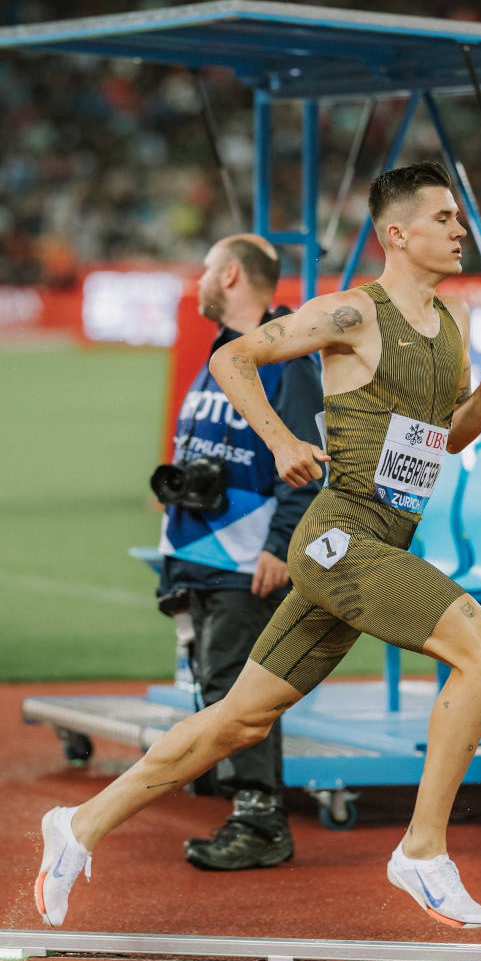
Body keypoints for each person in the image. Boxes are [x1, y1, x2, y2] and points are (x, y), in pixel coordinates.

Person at [35, 161, 481, 930]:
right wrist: (283, 437)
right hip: (337, 537)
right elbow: (231, 358)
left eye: (460, 218)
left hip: (375, 540)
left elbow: (447, 440)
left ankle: (79, 823)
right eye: (443, 218)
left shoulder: (452, 325)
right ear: (397, 233)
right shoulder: (350, 316)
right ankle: (423, 850)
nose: (460, 230)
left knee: (239, 720)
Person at [155, 232, 322, 871]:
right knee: (215, 685)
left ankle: (260, 821)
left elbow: (308, 458)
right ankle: (240, 802)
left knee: (237, 693)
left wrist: (281, 544)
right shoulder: (223, 354)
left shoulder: (284, 357)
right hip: (202, 553)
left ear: (229, 275)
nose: (196, 281)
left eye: (203, 269)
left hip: (246, 558)